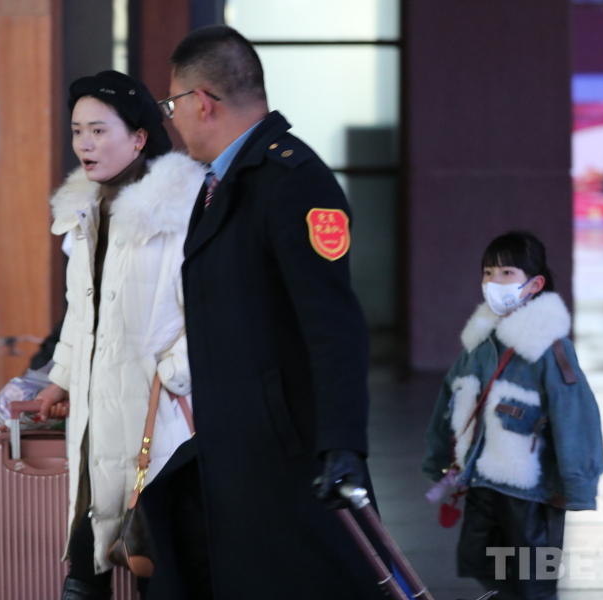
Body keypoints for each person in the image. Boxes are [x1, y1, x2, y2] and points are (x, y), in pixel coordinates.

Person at [137, 25, 384, 600]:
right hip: (234, 445)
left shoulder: (294, 182)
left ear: (202, 102)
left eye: (172, 105)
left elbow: (334, 324)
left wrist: (343, 443)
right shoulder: (222, 183)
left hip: (285, 454)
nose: (172, 120)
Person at [35, 70, 206, 600]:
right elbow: (81, 312)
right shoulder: (85, 212)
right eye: (77, 131)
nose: (84, 144)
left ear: (138, 137)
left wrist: (172, 375)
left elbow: (211, 311)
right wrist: (62, 377)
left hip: (161, 417)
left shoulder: (180, 212)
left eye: (98, 130)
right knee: (90, 552)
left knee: (158, 559)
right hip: (97, 413)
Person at [422, 232, 603, 600]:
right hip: (482, 480)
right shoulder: (479, 344)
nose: (494, 281)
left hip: (531, 490)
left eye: (507, 273)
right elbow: (450, 399)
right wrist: (440, 459)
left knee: (532, 579)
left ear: (534, 284)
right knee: (480, 560)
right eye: (488, 272)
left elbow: (576, 417)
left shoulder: (550, 348)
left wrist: (578, 484)